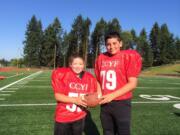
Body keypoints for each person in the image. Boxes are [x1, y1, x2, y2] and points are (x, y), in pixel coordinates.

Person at [95, 31, 142, 135]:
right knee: (107, 132)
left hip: (122, 103)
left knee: (123, 132)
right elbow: (98, 80)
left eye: (114, 43)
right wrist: (98, 95)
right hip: (105, 103)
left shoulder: (127, 56)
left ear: (120, 43)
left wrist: (112, 95)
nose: (111, 47)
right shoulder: (101, 58)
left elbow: (132, 83)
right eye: (108, 44)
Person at [51, 53, 98, 135]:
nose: (78, 66)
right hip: (64, 117)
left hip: (80, 117)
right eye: (75, 64)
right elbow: (58, 96)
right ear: (70, 64)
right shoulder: (62, 74)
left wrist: (93, 101)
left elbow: (92, 96)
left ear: (84, 65)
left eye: (80, 64)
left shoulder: (89, 78)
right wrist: (75, 100)